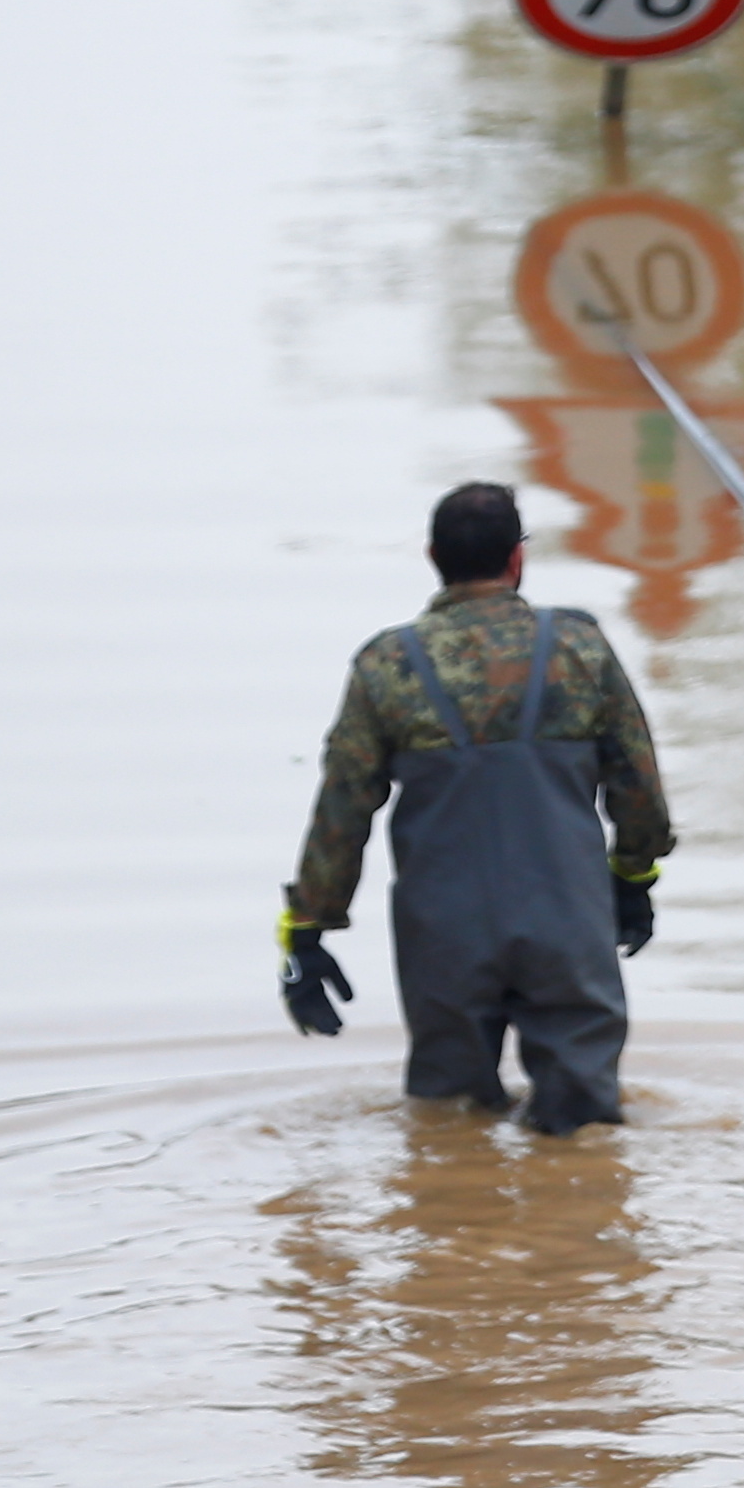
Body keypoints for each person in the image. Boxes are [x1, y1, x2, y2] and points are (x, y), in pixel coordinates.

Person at [279, 481, 672, 1133]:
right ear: (518, 559)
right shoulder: (579, 648)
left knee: (446, 1123)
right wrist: (633, 878)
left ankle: (456, 1220)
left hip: (444, 934)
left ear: (433, 555)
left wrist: (309, 932)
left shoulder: (387, 664)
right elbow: (639, 788)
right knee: (583, 1129)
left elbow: (342, 814)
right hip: (566, 923)